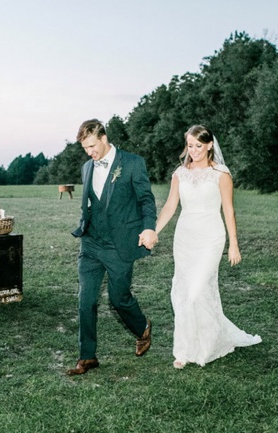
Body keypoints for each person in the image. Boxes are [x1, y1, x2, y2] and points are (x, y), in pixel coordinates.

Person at [155, 124, 261, 369]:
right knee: (183, 293)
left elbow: (229, 210)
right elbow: (171, 206)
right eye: (190, 146)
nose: (193, 151)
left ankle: (210, 344)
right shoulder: (179, 173)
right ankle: (183, 350)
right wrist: (154, 231)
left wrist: (234, 245)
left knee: (197, 291)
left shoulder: (221, 174)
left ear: (210, 144)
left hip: (211, 237)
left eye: (198, 146)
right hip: (184, 237)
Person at [68, 119, 158, 375]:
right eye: (85, 148)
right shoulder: (87, 167)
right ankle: (87, 357)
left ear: (104, 138)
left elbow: (146, 200)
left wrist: (149, 227)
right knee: (86, 301)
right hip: (91, 244)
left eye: (92, 146)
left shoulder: (132, 163)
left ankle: (142, 328)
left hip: (119, 245)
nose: (89, 152)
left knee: (119, 299)